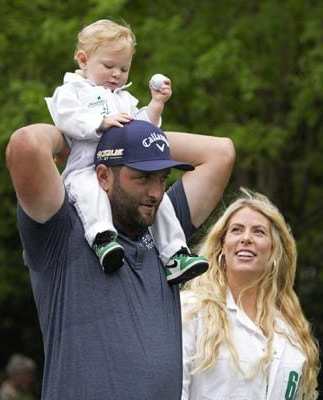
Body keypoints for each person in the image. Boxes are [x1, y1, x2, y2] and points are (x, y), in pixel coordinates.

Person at [5, 119, 234, 400]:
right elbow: (27, 144)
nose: (155, 192)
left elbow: (219, 153)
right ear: (103, 175)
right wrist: (88, 136)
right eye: (141, 177)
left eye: (161, 179)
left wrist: (137, 135)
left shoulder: (164, 231)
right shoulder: (64, 229)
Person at [174, 188, 320, 400]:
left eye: (258, 232)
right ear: (221, 247)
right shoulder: (191, 311)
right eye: (236, 230)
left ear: (274, 251)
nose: (246, 238)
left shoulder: (291, 331)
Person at [44, 19, 208, 284]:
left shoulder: (123, 98)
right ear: (83, 60)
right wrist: (99, 123)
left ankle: (176, 255)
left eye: (124, 68)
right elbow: (65, 117)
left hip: (122, 168)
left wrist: (156, 104)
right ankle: (102, 239)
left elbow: (143, 130)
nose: (117, 74)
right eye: (109, 66)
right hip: (86, 165)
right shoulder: (71, 91)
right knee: (88, 192)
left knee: (160, 201)